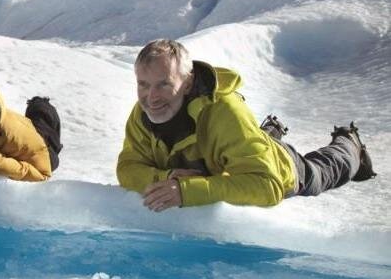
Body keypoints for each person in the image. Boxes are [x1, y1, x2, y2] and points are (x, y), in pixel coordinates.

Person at [116, 39, 376, 211]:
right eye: (143, 84)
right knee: (248, 143)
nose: (151, 97)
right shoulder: (143, 114)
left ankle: (349, 144)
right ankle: (268, 133)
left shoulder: (225, 111)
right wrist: (168, 178)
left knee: (323, 172)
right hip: (239, 150)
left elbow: (267, 186)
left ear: (187, 83)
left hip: (283, 169)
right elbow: (128, 168)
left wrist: (187, 191)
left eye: (163, 84)